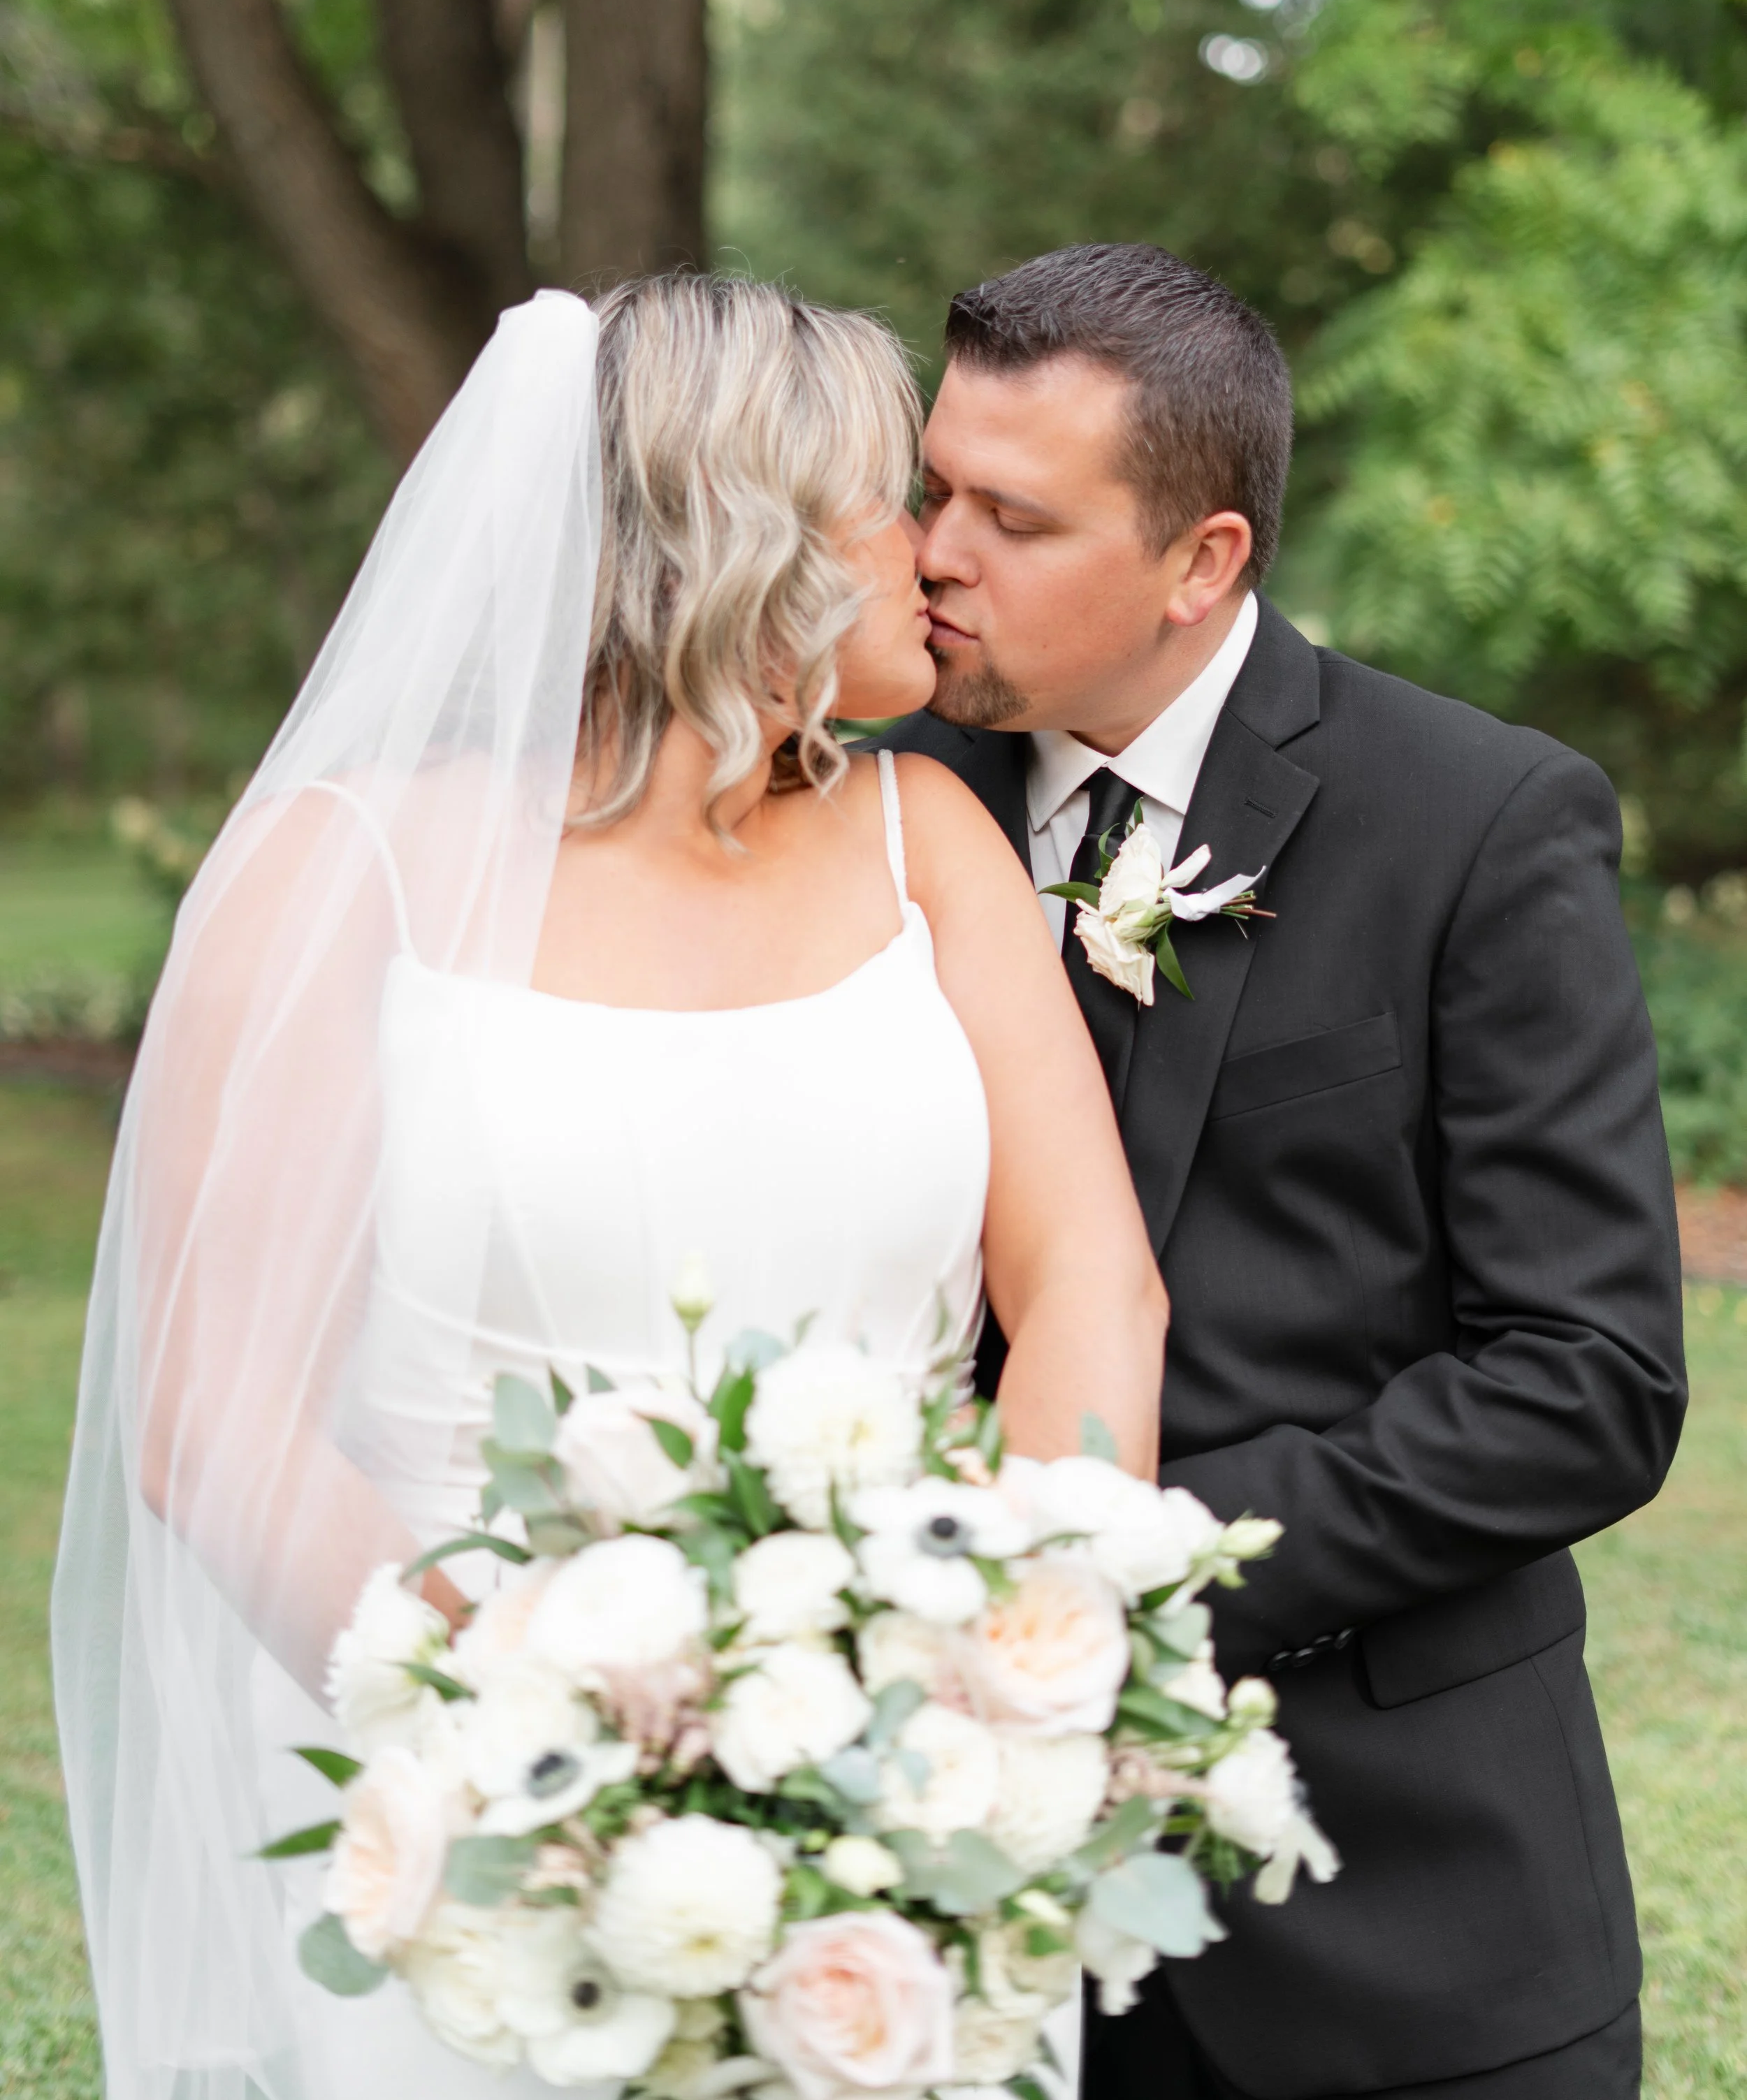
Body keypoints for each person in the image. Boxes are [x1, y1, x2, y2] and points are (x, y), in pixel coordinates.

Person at [52, 277, 1168, 2100]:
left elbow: (1089, 1294)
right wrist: (567, 1749)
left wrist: (1004, 1674)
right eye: (894, 496)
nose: (936, 553)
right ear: (754, 533)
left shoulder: (931, 840)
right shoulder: (339, 872)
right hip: (466, 1798)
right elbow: (212, 1421)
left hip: (900, 1803)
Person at [883, 241, 1687, 2100]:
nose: (933, 550)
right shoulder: (863, 814)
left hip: (1404, 1920)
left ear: (1200, 560)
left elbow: (1587, 1377)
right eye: (932, 484)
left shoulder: (1475, 824)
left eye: (1009, 513)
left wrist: (1125, 1576)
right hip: (943, 1931)